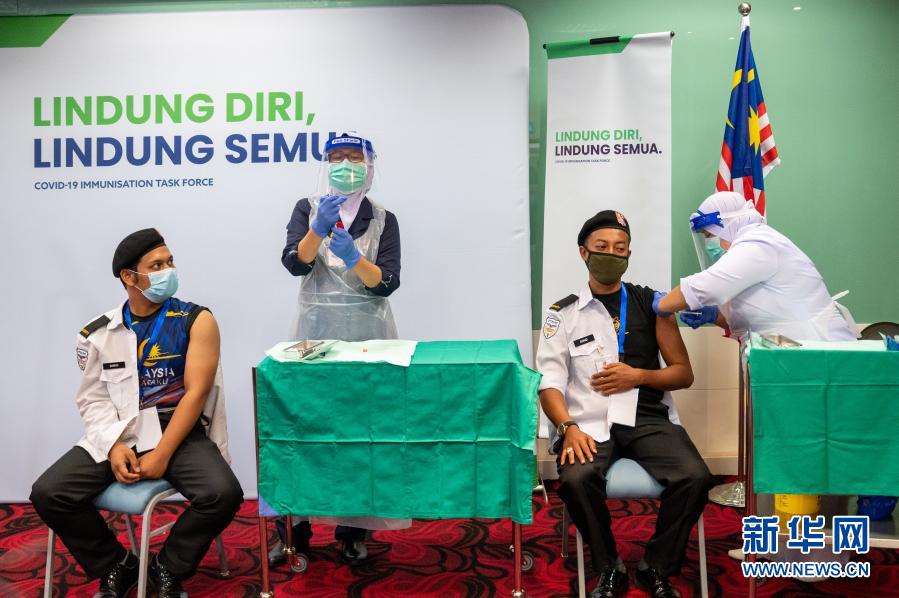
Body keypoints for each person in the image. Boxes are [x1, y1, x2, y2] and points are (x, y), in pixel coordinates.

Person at [30, 228, 243, 598]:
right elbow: (92, 400)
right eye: (156, 265)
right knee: (49, 493)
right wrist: (113, 446)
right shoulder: (98, 333)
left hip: (176, 428)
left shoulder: (195, 319)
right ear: (129, 277)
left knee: (223, 494)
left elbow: (196, 393)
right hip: (121, 430)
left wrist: (162, 454)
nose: (168, 270)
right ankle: (117, 564)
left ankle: (168, 567)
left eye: (170, 261)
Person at [537, 210, 712, 598]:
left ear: (629, 254)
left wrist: (639, 376)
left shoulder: (653, 305)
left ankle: (656, 566)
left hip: (646, 416)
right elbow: (549, 384)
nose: (611, 255)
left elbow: (683, 374)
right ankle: (609, 566)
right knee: (576, 479)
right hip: (586, 420)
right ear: (583, 252)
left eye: (620, 249)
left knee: (696, 477)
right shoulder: (562, 314)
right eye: (602, 247)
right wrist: (567, 428)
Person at [273, 133, 405, 565]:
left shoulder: (383, 219)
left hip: (368, 335)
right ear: (325, 163)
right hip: (314, 333)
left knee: (361, 432)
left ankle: (352, 529)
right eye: (336, 157)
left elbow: (385, 283)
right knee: (302, 430)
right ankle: (293, 531)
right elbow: (295, 264)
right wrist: (316, 230)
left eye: (354, 157)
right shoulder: (307, 208)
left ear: (370, 165)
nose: (345, 164)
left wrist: (352, 256)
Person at [653, 190, 857, 342]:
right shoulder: (753, 247)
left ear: (728, 223)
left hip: (819, 349)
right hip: (797, 351)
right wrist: (715, 315)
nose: (709, 243)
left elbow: (704, 287)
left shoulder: (757, 244)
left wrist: (659, 305)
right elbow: (752, 319)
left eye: (709, 235)